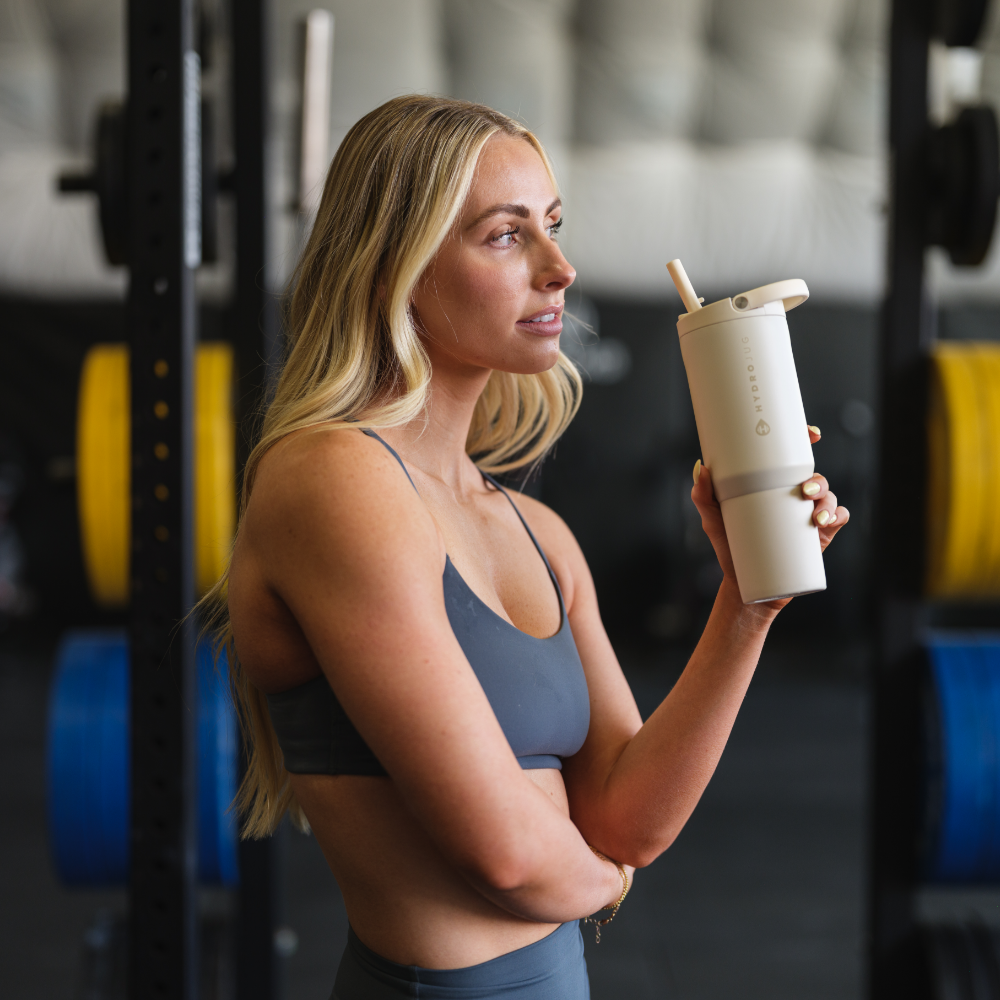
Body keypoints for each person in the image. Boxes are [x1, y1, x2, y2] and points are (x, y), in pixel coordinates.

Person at [212, 95, 849, 999]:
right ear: (398, 264)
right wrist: (607, 885)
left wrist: (746, 602)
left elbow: (628, 816)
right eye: (507, 236)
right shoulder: (331, 479)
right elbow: (507, 857)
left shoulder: (537, 535)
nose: (561, 268)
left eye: (551, 226)